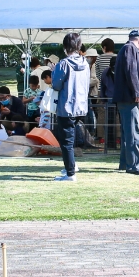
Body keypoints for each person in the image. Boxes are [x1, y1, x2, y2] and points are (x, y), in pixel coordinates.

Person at [49, 32, 90, 181]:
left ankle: (70, 172)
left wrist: (54, 72)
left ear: (65, 47)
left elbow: (56, 85)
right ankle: (71, 165)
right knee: (71, 139)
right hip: (81, 106)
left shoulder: (64, 64)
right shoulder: (85, 63)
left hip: (66, 107)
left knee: (66, 141)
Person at [113, 30, 139, 175]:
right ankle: (134, 164)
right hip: (130, 98)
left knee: (128, 131)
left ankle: (126, 163)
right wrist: (138, 92)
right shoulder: (130, 49)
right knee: (134, 131)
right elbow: (131, 71)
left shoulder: (126, 49)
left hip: (126, 98)